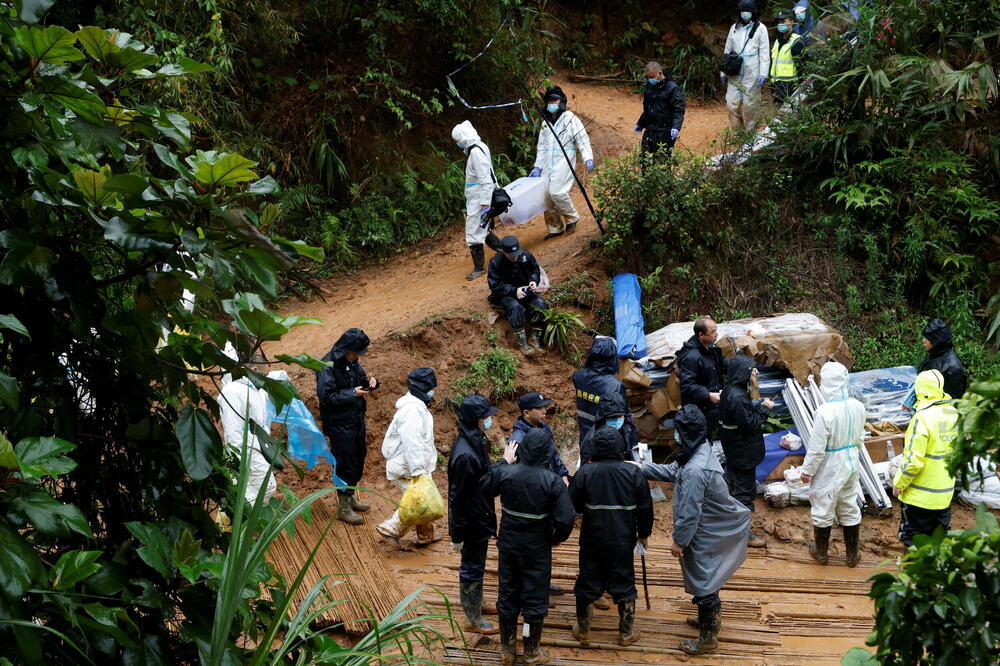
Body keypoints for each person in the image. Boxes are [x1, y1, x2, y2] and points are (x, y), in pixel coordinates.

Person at [638, 405, 751, 655]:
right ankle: (707, 620)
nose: (676, 435)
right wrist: (641, 467)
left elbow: (689, 513)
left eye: (678, 431)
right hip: (712, 524)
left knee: (704, 579)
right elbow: (674, 472)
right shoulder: (698, 450)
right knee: (708, 574)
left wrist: (679, 541)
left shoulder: (695, 470)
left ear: (685, 433)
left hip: (707, 529)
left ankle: (708, 637)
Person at [482, 428, 575, 666]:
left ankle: (507, 650)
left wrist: (503, 461)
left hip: (510, 544)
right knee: (535, 595)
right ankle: (532, 651)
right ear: (547, 452)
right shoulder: (553, 481)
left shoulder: (506, 473)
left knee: (508, 591)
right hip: (537, 547)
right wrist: (556, 537)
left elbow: (484, 487)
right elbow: (566, 519)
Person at [569, 426, 653, 648]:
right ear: (620, 447)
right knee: (624, 579)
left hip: (592, 538)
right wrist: (643, 534)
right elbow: (645, 508)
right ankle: (626, 633)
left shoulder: (585, 472)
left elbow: (574, 504)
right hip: (622, 539)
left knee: (588, 579)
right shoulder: (633, 472)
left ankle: (584, 631)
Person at [798, 361, 866, 567]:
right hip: (852, 459)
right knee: (848, 502)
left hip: (831, 463)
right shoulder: (858, 406)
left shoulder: (825, 412)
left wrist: (807, 471)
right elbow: (861, 437)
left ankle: (821, 551)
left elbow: (817, 448)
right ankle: (852, 555)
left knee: (823, 504)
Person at [448, 393, 500, 634]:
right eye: (485, 417)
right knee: (472, 564)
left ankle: (476, 600)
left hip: (480, 514)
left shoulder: (476, 439)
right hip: (471, 520)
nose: (489, 420)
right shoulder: (466, 454)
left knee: (477, 562)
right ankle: (472, 616)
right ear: (476, 419)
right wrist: (456, 533)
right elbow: (457, 498)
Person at [317, 328, 378, 525]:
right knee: (344, 463)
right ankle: (343, 506)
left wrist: (372, 383)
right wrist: (352, 393)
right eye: (356, 353)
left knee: (358, 458)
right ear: (346, 349)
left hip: (356, 421)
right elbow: (326, 398)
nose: (357, 357)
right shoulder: (326, 366)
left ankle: (351, 496)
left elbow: (362, 382)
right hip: (339, 425)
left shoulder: (352, 363)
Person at [375, 368, 441, 550]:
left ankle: (426, 534)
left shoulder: (416, 407)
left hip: (410, 464)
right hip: (408, 465)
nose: (432, 392)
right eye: (430, 388)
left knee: (422, 498)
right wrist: (419, 470)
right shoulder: (413, 410)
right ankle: (391, 528)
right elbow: (412, 441)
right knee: (418, 501)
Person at [892, 369, 959, 547]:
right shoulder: (953, 414)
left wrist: (899, 483)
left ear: (919, 390)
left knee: (913, 539)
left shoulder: (921, 419)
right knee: (937, 540)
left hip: (918, 498)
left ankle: (912, 572)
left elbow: (913, 461)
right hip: (944, 496)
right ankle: (933, 572)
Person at [719, 355, 775, 547]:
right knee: (745, 492)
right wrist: (765, 409)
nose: (755, 373)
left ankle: (729, 523)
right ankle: (742, 534)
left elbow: (743, 416)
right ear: (743, 373)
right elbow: (751, 423)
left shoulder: (730, 391)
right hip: (743, 451)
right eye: (751, 370)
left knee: (737, 484)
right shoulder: (738, 397)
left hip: (734, 449)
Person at [528, 86, 594, 240]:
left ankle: (572, 216)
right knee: (546, 195)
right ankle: (555, 227)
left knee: (557, 192)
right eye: (550, 101)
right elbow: (542, 147)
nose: (552, 103)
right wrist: (538, 166)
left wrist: (587, 157)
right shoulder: (546, 122)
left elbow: (582, 139)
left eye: (555, 100)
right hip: (547, 162)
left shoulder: (570, 119)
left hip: (564, 159)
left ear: (562, 101)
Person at [219, 355, 277, 504]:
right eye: (265, 375)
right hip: (246, 448)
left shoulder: (258, 390)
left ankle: (247, 520)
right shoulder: (233, 391)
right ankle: (243, 521)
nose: (266, 379)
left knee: (259, 488)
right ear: (255, 369)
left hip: (259, 445)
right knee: (263, 487)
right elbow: (232, 428)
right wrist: (239, 457)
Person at [452, 120, 502, 281]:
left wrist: (485, 204)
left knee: (473, 232)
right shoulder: (480, 146)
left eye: (458, 141)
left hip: (479, 199)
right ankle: (505, 252)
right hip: (478, 197)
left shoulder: (475, 153)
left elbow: (486, 180)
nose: (458, 144)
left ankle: (479, 268)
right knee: (482, 229)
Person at [487, 236, 548, 356]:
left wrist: (533, 281)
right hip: (506, 294)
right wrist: (514, 291)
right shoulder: (496, 262)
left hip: (525, 290)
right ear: (503, 252)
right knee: (515, 308)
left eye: (516, 253)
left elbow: (535, 270)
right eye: (511, 255)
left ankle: (535, 339)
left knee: (540, 304)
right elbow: (495, 285)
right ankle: (522, 343)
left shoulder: (526, 255)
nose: (514, 257)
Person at [721, 0, 770, 132]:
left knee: (750, 105)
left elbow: (765, 52)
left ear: (753, 13)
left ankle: (750, 135)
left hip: (752, 71)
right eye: (743, 11)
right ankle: (738, 134)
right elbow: (727, 50)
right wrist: (723, 72)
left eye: (748, 11)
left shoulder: (761, 29)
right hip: (735, 71)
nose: (745, 13)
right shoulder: (734, 28)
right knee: (731, 103)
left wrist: (763, 73)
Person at [572, 336, 630, 447]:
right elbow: (621, 418)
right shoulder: (615, 386)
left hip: (585, 436)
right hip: (605, 441)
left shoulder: (578, 376)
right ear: (612, 356)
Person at [677, 317, 726, 435]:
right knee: (701, 439)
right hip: (698, 409)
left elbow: (724, 364)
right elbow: (687, 385)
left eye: (716, 330)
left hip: (712, 407)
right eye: (712, 332)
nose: (716, 334)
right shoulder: (691, 356)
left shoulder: (711, 348)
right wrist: (708, 395)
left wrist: (747, 369)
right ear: (701, 335)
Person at [634, 61, 685, 163]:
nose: (650, 80)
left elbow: (678, 109)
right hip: (650, 130)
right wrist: (641, 124)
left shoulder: (672, 88)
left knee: (662, 163)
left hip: (665, 132)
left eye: (652, 77)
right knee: (645, 161)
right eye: (648, 77)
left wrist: (676, 127)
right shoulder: (649, 87)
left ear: (660, 73)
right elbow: (648, 109)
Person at [578, 391, 637, 465]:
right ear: (602, 417)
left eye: (620, 416)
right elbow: (587, 469)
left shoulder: (626, 430)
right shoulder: (591, 440)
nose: (617, 421)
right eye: (612, 417)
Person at [918, 318, 967, 400]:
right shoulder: (935, 353)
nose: (923, 340)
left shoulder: (953, 369)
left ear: (937, 341)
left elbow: (953, 402)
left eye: (928, 338)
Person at [769, 10, 805, 104]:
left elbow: (802, 68)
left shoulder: (796, 42)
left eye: (783, 21)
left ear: (792, 21)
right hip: (776, 86)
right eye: (779, 22)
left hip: (790, 87)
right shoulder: (777, 41)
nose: (780, 24)